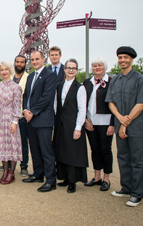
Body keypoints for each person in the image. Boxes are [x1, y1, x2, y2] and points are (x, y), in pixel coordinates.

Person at [106, 46, 143, 207]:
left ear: (132, 59)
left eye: (125, 57)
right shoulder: (116, 80)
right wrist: (119, 118)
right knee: (123, 158)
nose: (122, 60)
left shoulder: (141, 80)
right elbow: (110, 102)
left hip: (135, 127)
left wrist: (126, 121)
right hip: (120, 125)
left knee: (137, 160)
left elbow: (141, 104)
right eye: (120, 57)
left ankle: (137, 193)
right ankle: (126, 187)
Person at [21, 50, 57, 192]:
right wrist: (25, 110)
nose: (34, 61)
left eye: (37, 59)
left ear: (43, 59)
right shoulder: (30, 77)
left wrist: (33, 112)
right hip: (30, 119)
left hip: (43, 120)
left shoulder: (50, 75)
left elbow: (47, 97)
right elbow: (26, 96)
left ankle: (50, 180)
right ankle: (38, 174)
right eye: (32, 59)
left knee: (46, 150)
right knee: (34, 149)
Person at [52, 58, 87, 193]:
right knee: (61, 151)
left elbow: (82, 109)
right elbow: (56, 105)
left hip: (73, 124)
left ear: (77, 70)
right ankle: (64, 178)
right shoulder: (59, 85)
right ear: (64, 69)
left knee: (72, 153)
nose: (71, 70)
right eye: (68, 68)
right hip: (61, 125)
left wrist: (78, 127)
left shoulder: (80, 87)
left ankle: (72, 181)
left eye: (74, 68)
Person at [83, 57, 115, 191]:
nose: (97, 68)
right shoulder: (87, 82)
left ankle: (106, 178)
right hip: (91, 122)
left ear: (104, 67)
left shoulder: (111, 82)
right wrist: (85, 120)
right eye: (94, 66)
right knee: (94, 149)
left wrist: (113, 124)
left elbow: (116, 103)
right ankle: (97, 177)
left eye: (100, 65)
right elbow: (82, 102)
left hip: (105, 122)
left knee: (105, 150)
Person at [0, 61, 23, 185]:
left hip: (10, 119)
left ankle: (11, 174)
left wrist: (15, 121)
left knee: (11, 146)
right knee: (3, 146)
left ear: (10, 70)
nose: (4, 72)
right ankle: (4, 172)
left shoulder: (16, 87)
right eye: (2, 70)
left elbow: (17, 106)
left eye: (6, 69)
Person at [11, 55, 30, 177]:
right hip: (8, 115)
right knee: (9, 141)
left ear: (25, 64)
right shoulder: (9, 77)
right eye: (17, 62)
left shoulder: (29, 78)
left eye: (22, 62)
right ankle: (7, 162)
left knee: (23, 141)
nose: (19, 64)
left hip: (22, 115)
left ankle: (24, 166)